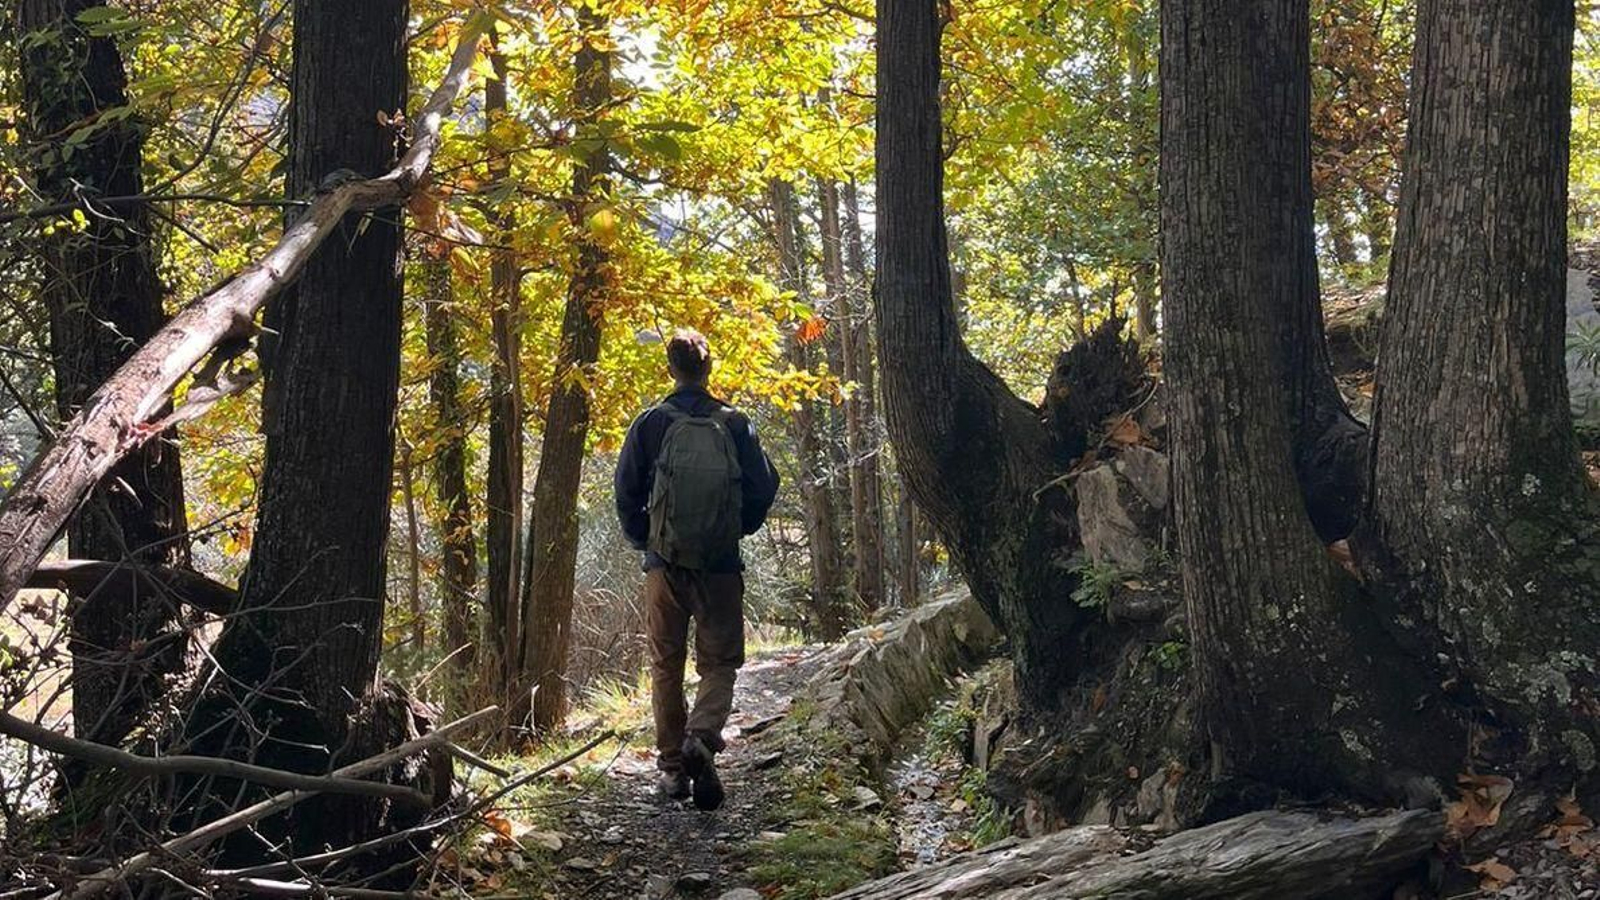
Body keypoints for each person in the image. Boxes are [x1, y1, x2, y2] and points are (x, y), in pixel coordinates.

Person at [614, 329, 779, 810]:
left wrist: (646, 539)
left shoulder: (650, 424)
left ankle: (672, 771)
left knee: (665, 665)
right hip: (720, 568)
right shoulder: (735, 424)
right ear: (709, 370)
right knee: (719, 663)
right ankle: (702, 740)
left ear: (671, 369)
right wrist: (737, 527)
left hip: (664, 569)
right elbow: (764, 486)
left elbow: (626, 490)